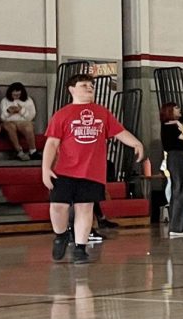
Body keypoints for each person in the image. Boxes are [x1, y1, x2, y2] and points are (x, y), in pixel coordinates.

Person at [42, 74, 144, 263]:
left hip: (92, 172)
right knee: (58, 207)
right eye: (84, 85)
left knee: (85, 208)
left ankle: (80, 248)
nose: (89, 88)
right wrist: (45, 168)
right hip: (64, 170)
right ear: (72, 90)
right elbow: (52, 144)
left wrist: (136, 143)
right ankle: (61, 234)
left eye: (91, 85)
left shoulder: (102, 112)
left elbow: (119, 132)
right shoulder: (62, 114)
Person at [160, 103, 183, 237]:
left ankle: (180, 225)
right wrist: (180, 125)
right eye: (176, 108)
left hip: (179, 157)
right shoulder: (169, 126)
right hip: (176, 157)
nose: (179, 109)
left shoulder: (170, 125)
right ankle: (177, 227)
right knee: (181, 190)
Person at [0, 83, 39, 160]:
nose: (16, 97)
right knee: (10, 127)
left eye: (18, 95)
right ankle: (19, 151)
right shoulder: (4, 101)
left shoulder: (28, 100)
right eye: (14, 95)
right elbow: (2, 118)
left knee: (28, 127)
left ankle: (33, 151)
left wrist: (21, 110)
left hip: (23, 121)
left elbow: (31, 116)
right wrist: (8, 112)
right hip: (9, 121)